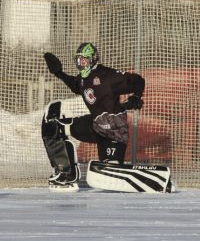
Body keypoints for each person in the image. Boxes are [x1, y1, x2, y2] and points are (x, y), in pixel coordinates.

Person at [42, 42, 145, 191]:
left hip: (114, 132)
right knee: (53, 126)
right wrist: (59, 73)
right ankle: (67, 175)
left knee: (111, 174)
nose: (81, 63)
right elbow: (75, 84)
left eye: (85, 59)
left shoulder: (107, 76)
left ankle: (126, 172)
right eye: (79, 60)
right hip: (95, 125)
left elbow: (138, 80)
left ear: (94, 59)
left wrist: (136, 96)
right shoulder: (83, 79)